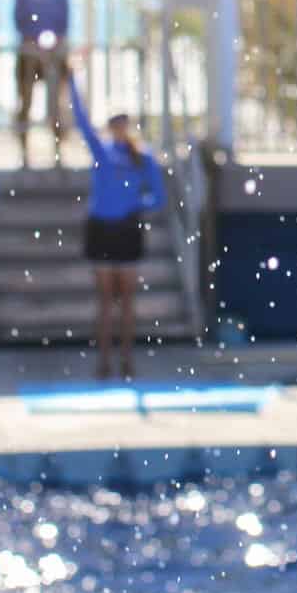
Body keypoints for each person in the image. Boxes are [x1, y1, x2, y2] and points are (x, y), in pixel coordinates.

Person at [67, 61, 165, 380]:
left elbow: (159, 196)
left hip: (126, 230)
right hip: (101, 229)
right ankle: (104, 359)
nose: (119, 127)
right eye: (115, 122)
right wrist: (73, 78)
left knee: (127, 302)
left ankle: (127, 358)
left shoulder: (143, 157)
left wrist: (136, 204)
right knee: (105, 301)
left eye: (123, 122)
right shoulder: (102, 151)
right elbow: (80, 120)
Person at [13, 0, 72, 167]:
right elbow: (19, 20)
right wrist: (34, 41)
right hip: (29, 52)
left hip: (54, 52)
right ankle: (24, 150)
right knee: (25, 100)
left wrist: (52, 42)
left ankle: (58, 150)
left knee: (57, 102)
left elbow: (63, 22)